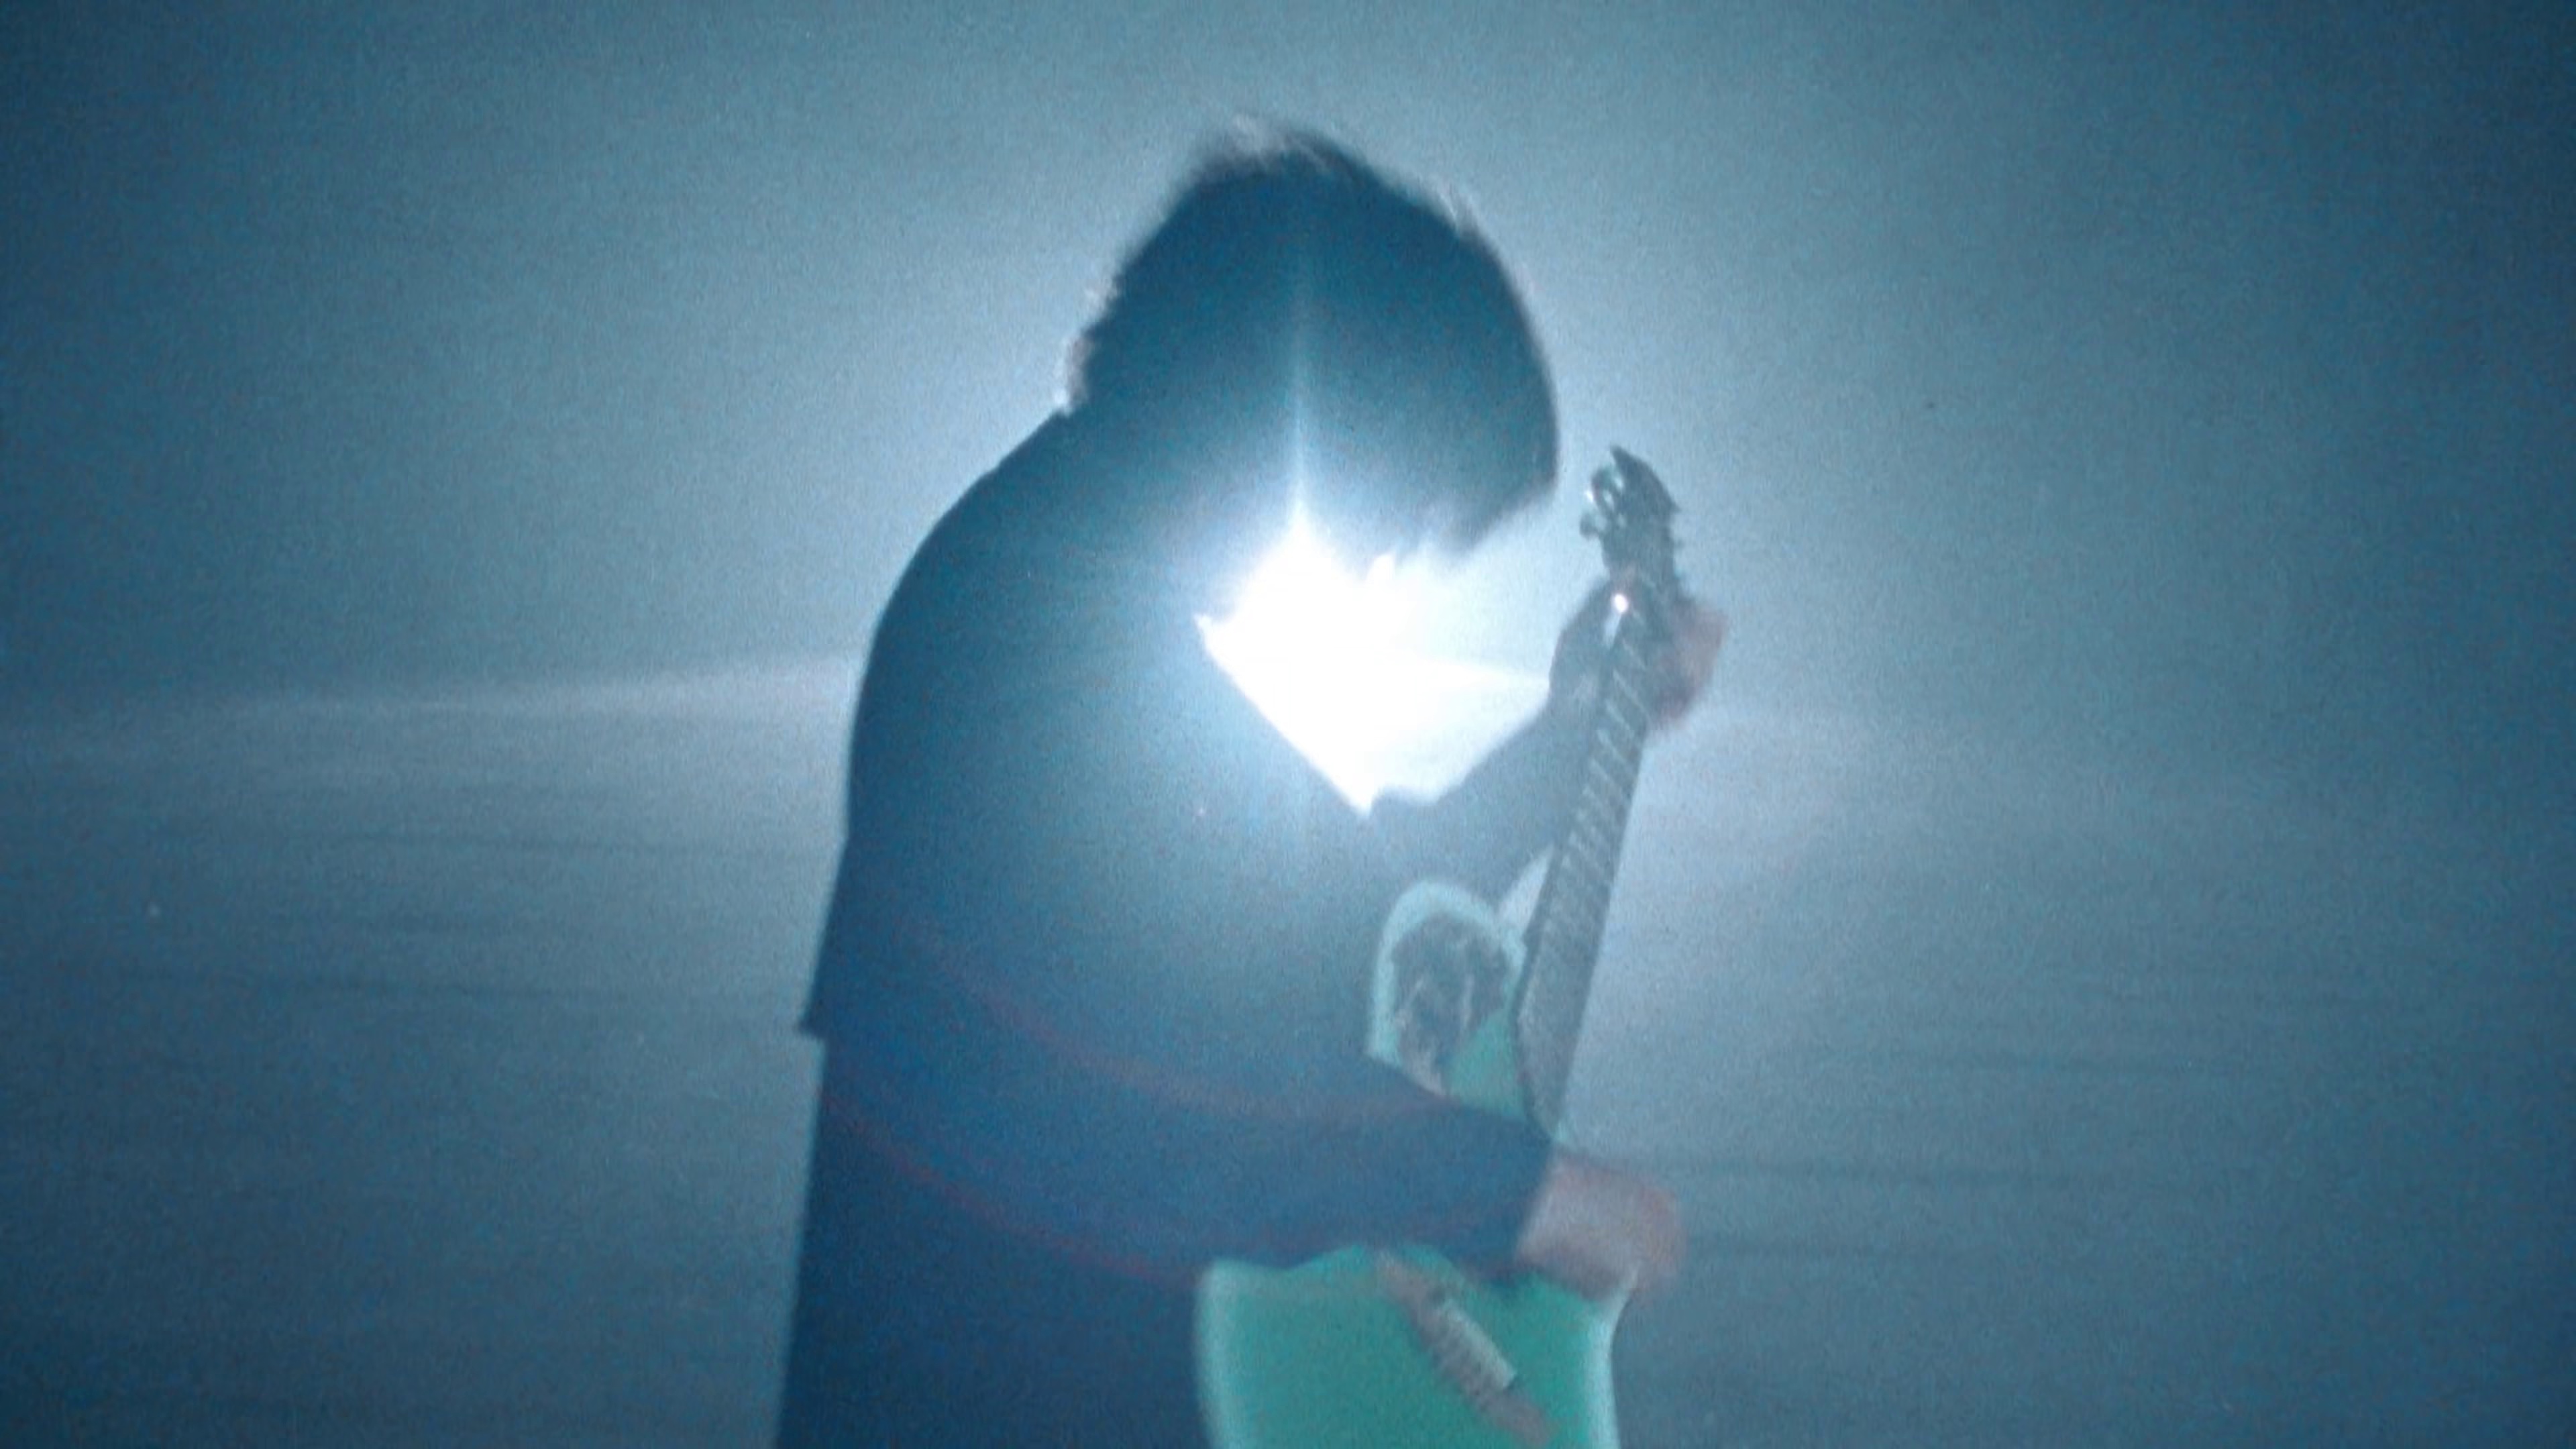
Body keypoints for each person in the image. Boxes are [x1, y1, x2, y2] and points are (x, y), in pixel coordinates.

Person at [777, 130, 1714, 1448]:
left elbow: (1331, 921)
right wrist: (1515, 1195)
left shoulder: (1061, 609)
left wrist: (1574, 742)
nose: (1382, 561)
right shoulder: (1029, 651)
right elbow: (1137, 1092)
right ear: (1306, 419)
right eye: (1403, 508)